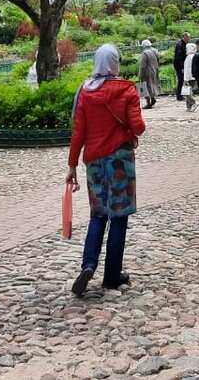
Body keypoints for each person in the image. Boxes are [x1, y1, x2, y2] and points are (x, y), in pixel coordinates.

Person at [66, 43, 146, 295]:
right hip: (120, 159)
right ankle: (112, 275)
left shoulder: (85, 92)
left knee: (98, 214)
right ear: (115, 63)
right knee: (119, 216)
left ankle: (88, 264)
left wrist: (71, 165)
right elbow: (139, 126)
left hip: (94, 161)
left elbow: (78, 131)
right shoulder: (127, 89)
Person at [137, 40, 160, 109]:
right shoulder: (155, 50)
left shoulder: (145, 53)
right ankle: (152, 98)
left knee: (144, 86)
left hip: (147, 72)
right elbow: (158, 60)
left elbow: (142, 65)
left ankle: (148, 103)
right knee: (152, 85)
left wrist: (140, 74)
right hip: (154, 70)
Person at [172, 32, 191, 101]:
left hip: (183, 64)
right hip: (179, 65)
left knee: (183, 79)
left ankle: (182, 94)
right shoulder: (180, 45)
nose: (189, 39)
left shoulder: (185, 44)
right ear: (185, 37)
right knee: (181, 79)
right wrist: (183, 67)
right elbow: (179, 58)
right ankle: (179, 96)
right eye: (188, 38)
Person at [181, 42, 198, 112]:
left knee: (186, 92)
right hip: (194, 76)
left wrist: (185, 79)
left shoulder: (189, 57)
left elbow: (187, 69)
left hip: (189, 77)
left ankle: (193, 102)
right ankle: (189, 106)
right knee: (189, 91)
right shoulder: (196, 56)